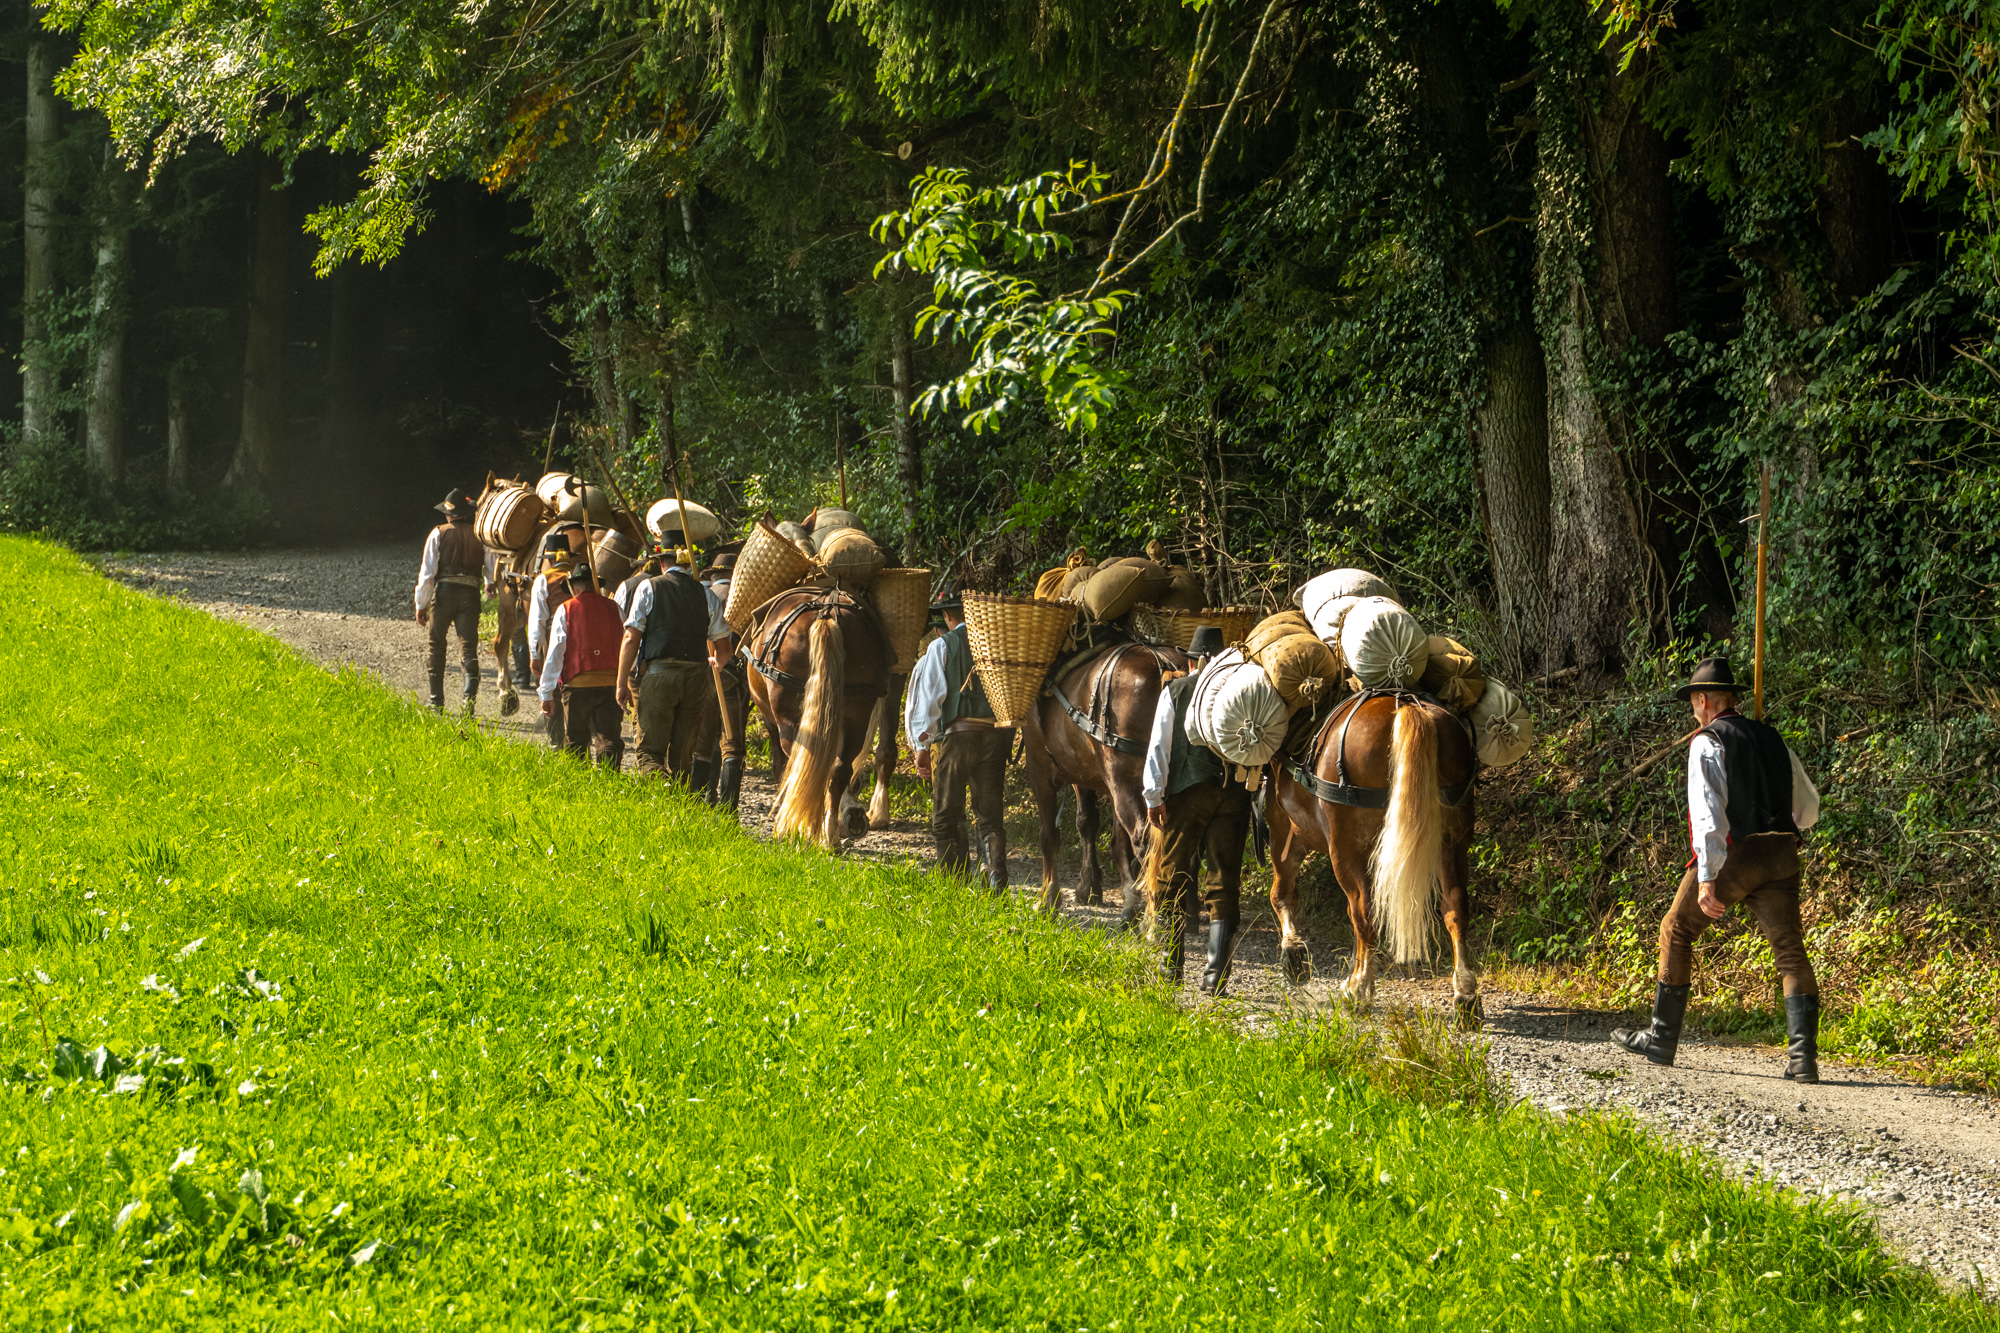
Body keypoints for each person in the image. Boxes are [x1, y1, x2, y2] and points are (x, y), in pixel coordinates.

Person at [1612, 656, 1825, 1081]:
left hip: (1735, 856)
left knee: (1676, 928)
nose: (1694, 710)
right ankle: (1803, 1061)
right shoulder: (1774, 740)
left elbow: (1708, 815)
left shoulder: (1707, 742)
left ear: (1704, 700)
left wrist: (1707, 878)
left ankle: (1661, 1039)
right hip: (1781, 854)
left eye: (1694, 701)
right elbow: (1808, 810)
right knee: (1789, 950)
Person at [1142, 626, 1256, 994]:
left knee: (1172, 876)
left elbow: (1159, 746)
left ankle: (1171, 967)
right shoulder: (1243, 690)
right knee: (1224, 881)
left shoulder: (1177, 690)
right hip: (1234, 794)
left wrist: (1153, 796)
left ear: (1192, 661)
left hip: (1188, 793)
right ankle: (1215, 977)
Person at [904, 593, 1010, 887]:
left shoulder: (942, 646)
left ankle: (953, 884)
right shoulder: (997, 645)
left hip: (959, 736)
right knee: (989, 816)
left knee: (946, 813)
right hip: (995, 736)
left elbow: (930, 700)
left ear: (949, 617)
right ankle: (996, 878)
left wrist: (922, 745)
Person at [615, 545, 732, 786]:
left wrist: (621, 683)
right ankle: (678, 800)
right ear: (688, 564)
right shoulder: (706, 594)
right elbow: (724, 649)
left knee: (649, 752)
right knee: (682, 757)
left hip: (660, 674)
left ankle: (659, 796)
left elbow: (631, 638)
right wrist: (716, 666)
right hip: (696, 678)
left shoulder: (649, 587)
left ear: (662, 563)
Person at [537, 559, 625, 767]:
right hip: (610, 684)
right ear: (595, 586)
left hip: (577, 685)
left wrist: (546, 693)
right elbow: (626, 643)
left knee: (576, 739)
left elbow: (556, 652)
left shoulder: (566, 609)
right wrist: (626, 680)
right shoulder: (615, 608)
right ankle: (609, 780)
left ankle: (578, 779)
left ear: (573, 588)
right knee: (609, 737)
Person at [413, 488, 484, 713]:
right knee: (469, 647)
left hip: (445, 593)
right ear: (466, 513)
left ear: (448, 514)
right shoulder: (479, 534)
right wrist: (491, 584)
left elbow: (427, 573)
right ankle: (468, 704)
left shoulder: (438, 533)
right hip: (470, 593)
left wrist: (421, 604)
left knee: (436, 643)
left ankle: (436, 702)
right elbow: (491, 565)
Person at [695, 551, 748, 810]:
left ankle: (697, 803)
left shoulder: (702, 596)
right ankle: (728, 811)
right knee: (732, 745)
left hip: (704, 673)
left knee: (703, 742)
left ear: (714, 575)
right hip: (731, 675)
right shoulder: (744, 598)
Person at [527, 529, 577, 749]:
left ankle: (556, 742)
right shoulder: (580, 577)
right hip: (581, 636)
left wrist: (534, 654)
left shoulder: (543, 580)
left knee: (553, 687)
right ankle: (577, 739)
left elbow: (537, 620)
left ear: (550, 559)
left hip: (552, 638)